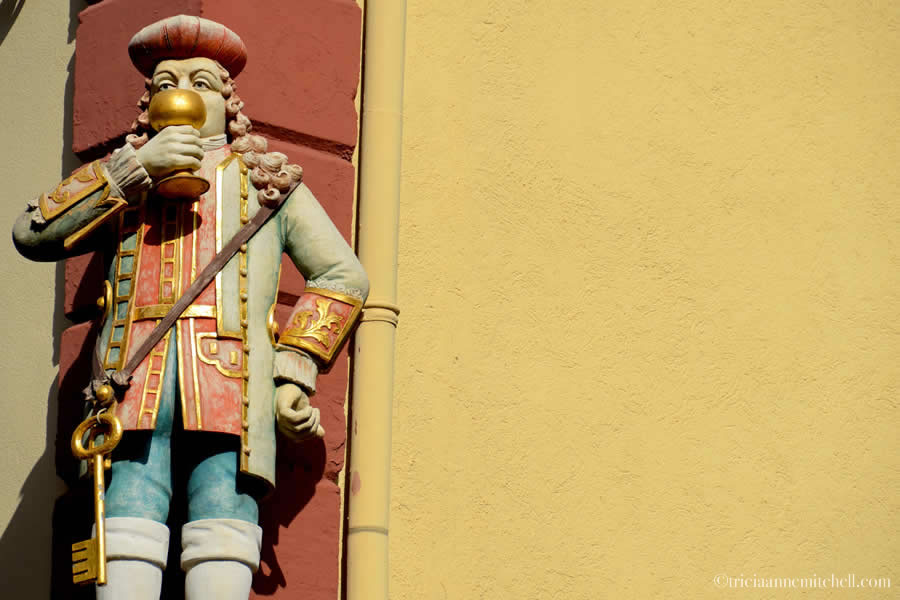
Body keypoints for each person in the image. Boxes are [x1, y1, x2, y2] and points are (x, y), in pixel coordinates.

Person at [12, 15, 368, 600]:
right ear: (147, 103)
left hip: (230, 378)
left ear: (229, 104)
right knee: (128, 503)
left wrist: (293, 372)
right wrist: (136, 168)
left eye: (202, 82)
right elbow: (33, 232)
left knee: (224, 510)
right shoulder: (124, 179)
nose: (181, 93)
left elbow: (341, 275)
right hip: (133, 379)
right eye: (165, 83)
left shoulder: (265, 183)